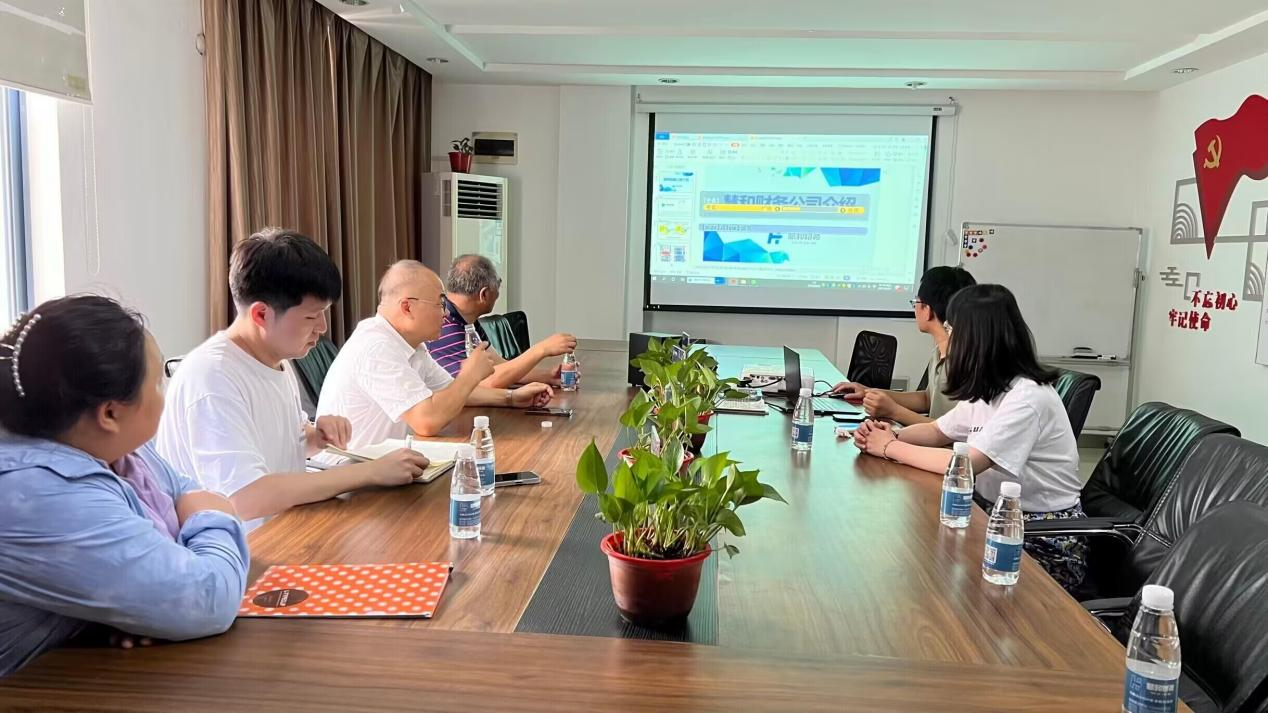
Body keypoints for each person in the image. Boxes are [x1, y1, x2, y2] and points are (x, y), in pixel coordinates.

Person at [0, 296, 249, 677]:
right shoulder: (37, 492)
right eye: (158, 383)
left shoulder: (100, 442)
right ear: (111, 413)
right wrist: (215, 515)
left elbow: (183, 488)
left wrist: (139, 605)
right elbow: (209, 597)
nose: (164, 395)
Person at [157, 229, 428, 529]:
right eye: (311, 316)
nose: (322, 327)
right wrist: (369, 472)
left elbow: (285, 447)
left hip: (286, 529)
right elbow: (245, 497)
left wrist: (317, 436)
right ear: (261, 315)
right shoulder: (212, 376)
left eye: (324, 313)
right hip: (238, 548)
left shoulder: (276, 361)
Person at [852, 284, 1086, 592]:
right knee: (913, 555)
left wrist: (890, 447)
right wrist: (889, 434)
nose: (947, 338)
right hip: (992, 517)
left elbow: (966, 465)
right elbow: (937, 431)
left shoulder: (1027, 397)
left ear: (977, 339)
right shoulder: (990, 388)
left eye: (951, 329)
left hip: (1040, 538)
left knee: (923, 570)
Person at [317, 260, 554, 447]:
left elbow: (451, 391)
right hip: (347, 476)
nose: (446, 313)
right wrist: (470, 375)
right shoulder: (376, 346)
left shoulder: (412, 345)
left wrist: (511, 398)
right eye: (440, 304)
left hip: (385, 465)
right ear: (407, 307)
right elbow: (426, 421)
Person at [832, 266, 976, 425]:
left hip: (940, 440)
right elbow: (927, 398)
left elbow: (948, 431)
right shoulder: (939, 351)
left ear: (927, 310)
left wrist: (893, 411)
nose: (915, 308)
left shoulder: (966, 362)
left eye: (916, 302)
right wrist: (868, 392)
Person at [425, 254, 577, 387]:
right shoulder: (443, 326)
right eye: (497, 285)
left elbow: (499, 367)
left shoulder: (467, 320)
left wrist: (548, 376)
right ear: (484, 294)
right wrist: (542, 349)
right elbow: (483, 382)